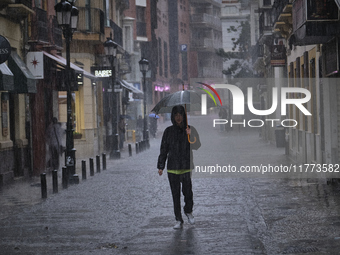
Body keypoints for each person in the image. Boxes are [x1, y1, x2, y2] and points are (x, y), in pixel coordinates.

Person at [157, 105, 201, 229]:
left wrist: (191, 135)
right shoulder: (168, 131)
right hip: (172, 168)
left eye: (180, 115)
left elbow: (197, 145)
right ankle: (178, 219)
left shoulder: (190, 129)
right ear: (173, 116)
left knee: (188, 192)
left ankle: (188, 211)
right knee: (175, 195)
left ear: (184, 116)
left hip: (186, 166)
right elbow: (164, 149)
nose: (178, 117)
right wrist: (161, 166)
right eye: (176, 115)